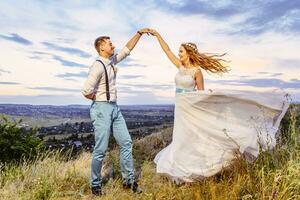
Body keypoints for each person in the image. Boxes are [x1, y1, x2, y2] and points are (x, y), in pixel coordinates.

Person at [148, 29, 290, 182]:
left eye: (181, 51)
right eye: (179, 52)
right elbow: (167, 50)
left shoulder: (197, 71)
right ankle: (182, 169)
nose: (179, 54)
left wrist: (210, 95)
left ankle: (200, 168)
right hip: (180, 108)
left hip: (191, 107)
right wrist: (156, 35)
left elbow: (200, 93)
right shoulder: (179, 66)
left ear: (188, 53)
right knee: (181, 138)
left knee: (192, 136)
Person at [82, 28, 150, 196]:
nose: (113, 46)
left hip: (115, 108)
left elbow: (127, 49)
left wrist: (139, 33)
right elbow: (85, 91)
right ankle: (95, 185)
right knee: (100, 149)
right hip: (102, 108)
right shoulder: (97, 66)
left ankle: (128, 181)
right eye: (110, 44)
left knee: (126, 142)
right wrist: (99, 100)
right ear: (101, 48)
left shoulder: (111, 61)